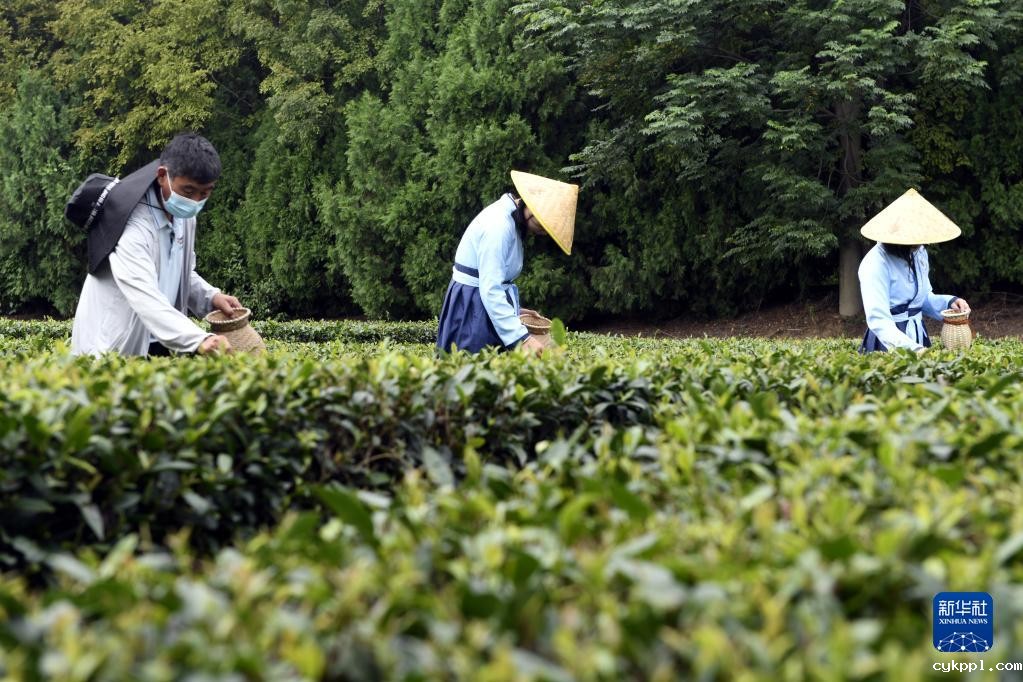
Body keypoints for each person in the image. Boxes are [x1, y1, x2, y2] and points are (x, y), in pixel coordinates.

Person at [68, 133, 242, 357]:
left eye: (205, 193)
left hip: (160, 340)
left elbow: (180, 272)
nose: (195, 202)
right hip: (113, 349)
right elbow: (145, 295)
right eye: (188, 191)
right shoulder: (132, 226)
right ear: (162, 176)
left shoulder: (185, 215)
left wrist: (211, 298)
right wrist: (199, 339)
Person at [436, 170, 578, 355]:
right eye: (542, 226)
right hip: (472, 309)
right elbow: (490, 289)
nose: (542, 232)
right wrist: (523, 338)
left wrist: (515, 309)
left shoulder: (511, 219)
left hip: (480, 302)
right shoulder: (498, 227)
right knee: (471, 373)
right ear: (530, 208)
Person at [858, 188, 971, 354]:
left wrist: (949, 303)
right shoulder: (875, 263)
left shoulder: (919, 252)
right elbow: (878, 320)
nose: (920, 242)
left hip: (918, 335)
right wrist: (912, 349)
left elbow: (920, 298)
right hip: (888, 343)